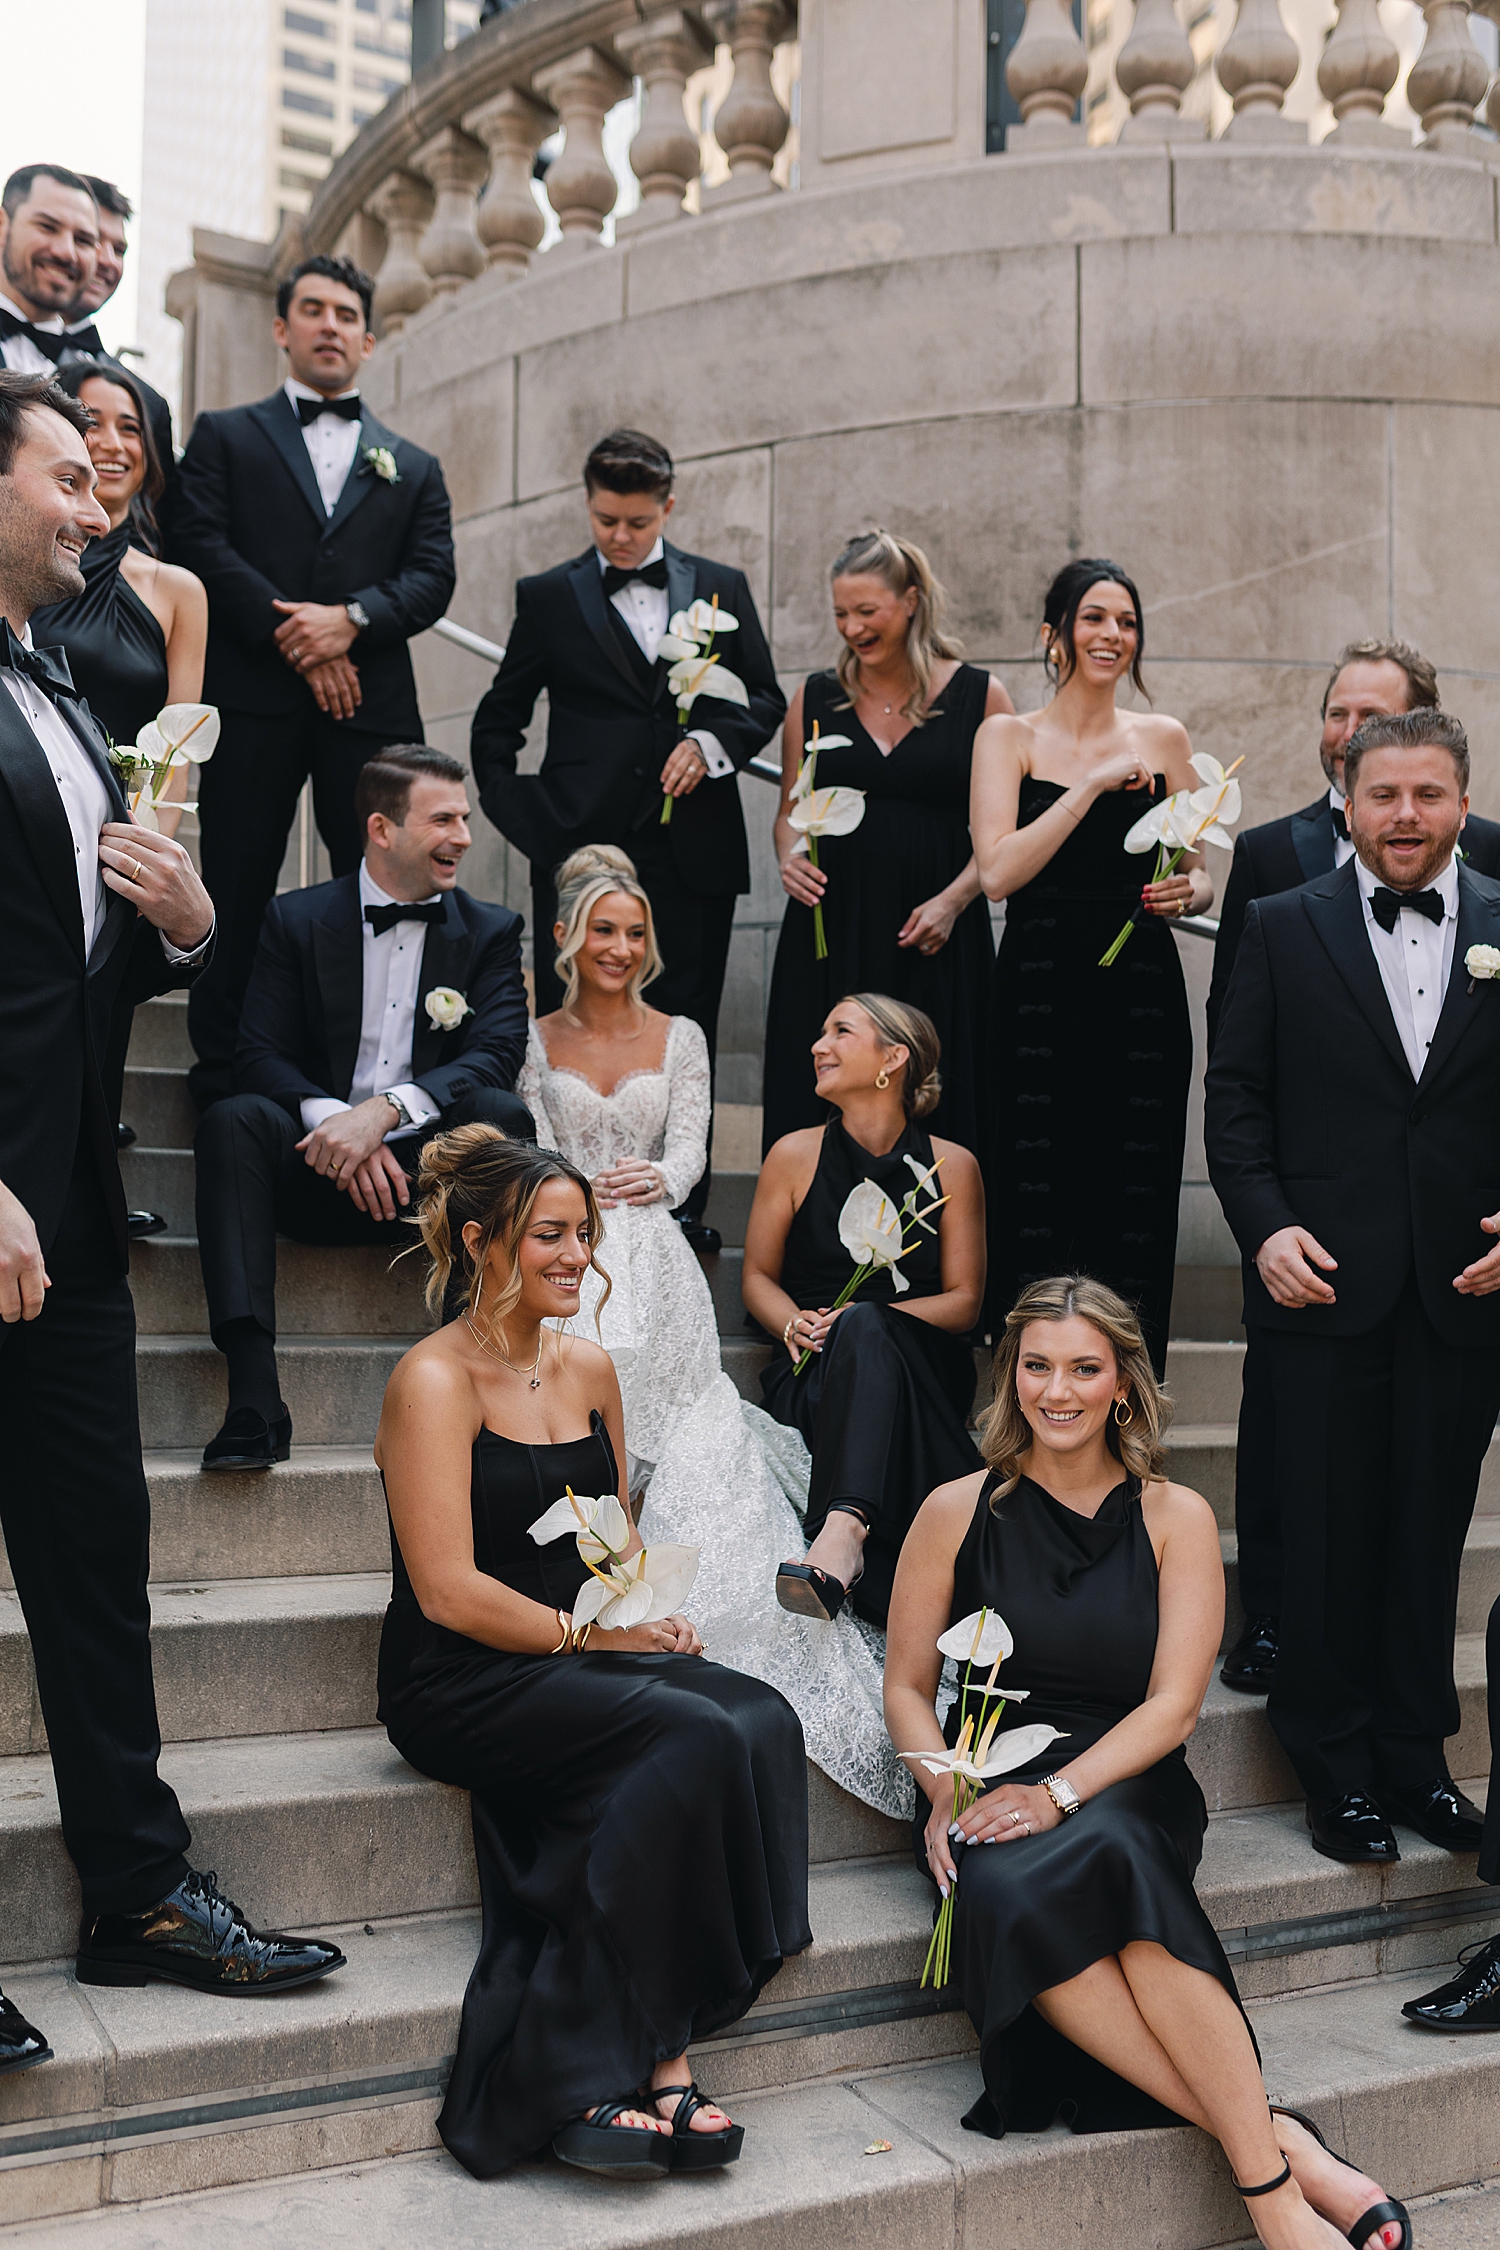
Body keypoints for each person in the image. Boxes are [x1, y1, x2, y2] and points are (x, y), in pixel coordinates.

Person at [0, 370, 343, 2078]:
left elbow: (89, 944)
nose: (98, 500)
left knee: (96, 1560)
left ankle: (135, 1892)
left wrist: (198, 922)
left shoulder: (65, 681)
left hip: (60, 1206)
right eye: (68, 475)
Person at [884, 1274, 1411, 2250]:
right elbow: (907, 1685)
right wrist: (953, 1789)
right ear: (1010, 1375)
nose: (1059, 1390)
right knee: (1001, 1890)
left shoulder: (1175, 1517)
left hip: (1124, 1773)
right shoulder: (954, 1509)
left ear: (1124, 1382)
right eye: (1037, 1366)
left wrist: (1059, 1794)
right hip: (991, 1772)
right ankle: (1285, 2152)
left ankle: (1266, 2195)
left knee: (1115, 1859)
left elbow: (1173, 1708)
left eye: (1085, 1368)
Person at [374, 1129, 811, 2179]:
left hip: (579, 1647)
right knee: (692, 1736)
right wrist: (592, 1635)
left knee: (758, 1715)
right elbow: (447, 1591)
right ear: (482, 1243)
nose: (578, 1257)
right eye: (549, 1237)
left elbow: (611, 1538)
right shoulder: (433, 1381)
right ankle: (632, 2060)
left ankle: (652, 2033)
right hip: (463, 1674)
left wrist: (647, 1608)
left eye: (585, 1235)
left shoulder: (591, 1366)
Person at [516, 846, 908, 1819]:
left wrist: (663, 1183)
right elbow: (530, 1144)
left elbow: (689, 1148)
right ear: (572, 937)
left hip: (649, 1237)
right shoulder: (532, 1033)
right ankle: (607, 1536)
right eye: (604, 929)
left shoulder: (681, 1033)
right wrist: (572, 1201)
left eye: (635, 932)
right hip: (567, 1237)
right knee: (585, 1296)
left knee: (645, 1275)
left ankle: (648, 1537)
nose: (620, 946)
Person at [1206, 707, 1500, 1867]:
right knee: (1326, 1539)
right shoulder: (1282, 924)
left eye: (1429, 796)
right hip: (1318, 1290)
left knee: (1428, 1534)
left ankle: (1416, 1762)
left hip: (1464, 1292)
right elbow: (1234, 1103)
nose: (1407, 818)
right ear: (1349, 798)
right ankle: (1336, 1776)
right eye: (1386, 796)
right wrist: (1268, 1230)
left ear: (1462, 804)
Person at [469, 427, 785, 1247]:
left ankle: (683, 1211)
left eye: (637, 523)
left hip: (694, 853)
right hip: (581, 855)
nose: (620, 536)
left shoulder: (720, 586)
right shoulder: (547, 595)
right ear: (590, 504)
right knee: (573, 1030)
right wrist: (541, 828)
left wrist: (714, 747)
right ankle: (563, 1208)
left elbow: (765, 697)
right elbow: (496, 726)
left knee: (687, 1032)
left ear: (667, 508)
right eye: (607, 520)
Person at [170, 253, 457, 1109]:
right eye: (313, 310)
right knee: (237, 877)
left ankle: (361, 1073)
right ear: (282, 327)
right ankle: (221, 1068)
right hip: (254, 700)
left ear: (368, 339)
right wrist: (301, 634)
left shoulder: (414, 462)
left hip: (368, 713)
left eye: (345, 314)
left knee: (374, 886)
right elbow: (199, 541)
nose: (330, 325)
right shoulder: (223, 433)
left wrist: (353, 620)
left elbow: (432, 576)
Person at [193, 745, 530, 1472]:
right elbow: (257, 1053)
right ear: (382, 829)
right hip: (314, 1174)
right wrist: (334, 1124)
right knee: (232, 1117)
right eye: (443, 819)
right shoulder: (295, 919)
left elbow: (496, 1054)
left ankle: (467, 1381)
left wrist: (382, 1113)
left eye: (464, 819)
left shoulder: (493, 931)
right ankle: (254, 1397)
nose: (464, 837)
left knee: (500, 1111)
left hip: (432, 1191)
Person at [970, 557, 1207, 1376]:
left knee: (1132, 1200)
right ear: (1055, 634)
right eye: (1095, 618)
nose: (1113, 635)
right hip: (1037, 994)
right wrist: (1093, 787)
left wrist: (1190, 886)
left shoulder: (1167, 738)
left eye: (1127, 621)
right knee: (1036, 1197)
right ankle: (1032, 1400)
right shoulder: (1009, 736)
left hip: (1139, 995)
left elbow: (1199, 866)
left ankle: (1133, 1410)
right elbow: (998, 872)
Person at [761, 528, 1013, 1157]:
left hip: (935, 931)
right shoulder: (815, 697)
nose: (851, 627)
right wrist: (789, 858)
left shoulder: (983, 697)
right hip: (833, 926)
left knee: (939, 1083)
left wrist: (953, 903)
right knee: (825, 1081)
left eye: (866, 611)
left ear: (910, 600)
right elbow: (790, 810)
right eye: (841, 613)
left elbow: (1000, 833)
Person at [744, 993, 985, 1629]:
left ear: (893, 1057)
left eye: (840, 1031)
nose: (819, 1045)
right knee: (860, 1325)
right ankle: (855, 1536)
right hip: (816, 1367)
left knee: (869, 1320)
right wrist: (792, 1322)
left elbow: (965, 1303)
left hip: (922, 1372)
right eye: (822, 1032)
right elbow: (757, 1277)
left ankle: (842, 1530)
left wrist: (864, 1318)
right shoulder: (793, 1154)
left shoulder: (952, 1165)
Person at [61, 178, 176, 513]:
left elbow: (156, 524)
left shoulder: (149, 404)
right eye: (91, 240)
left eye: (120, 250)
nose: (108, 261)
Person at [0, 166, 99, 376]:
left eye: (83, 240)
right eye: (47, 226)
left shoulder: (99, 380)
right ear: (1, 226)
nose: (67, 253)